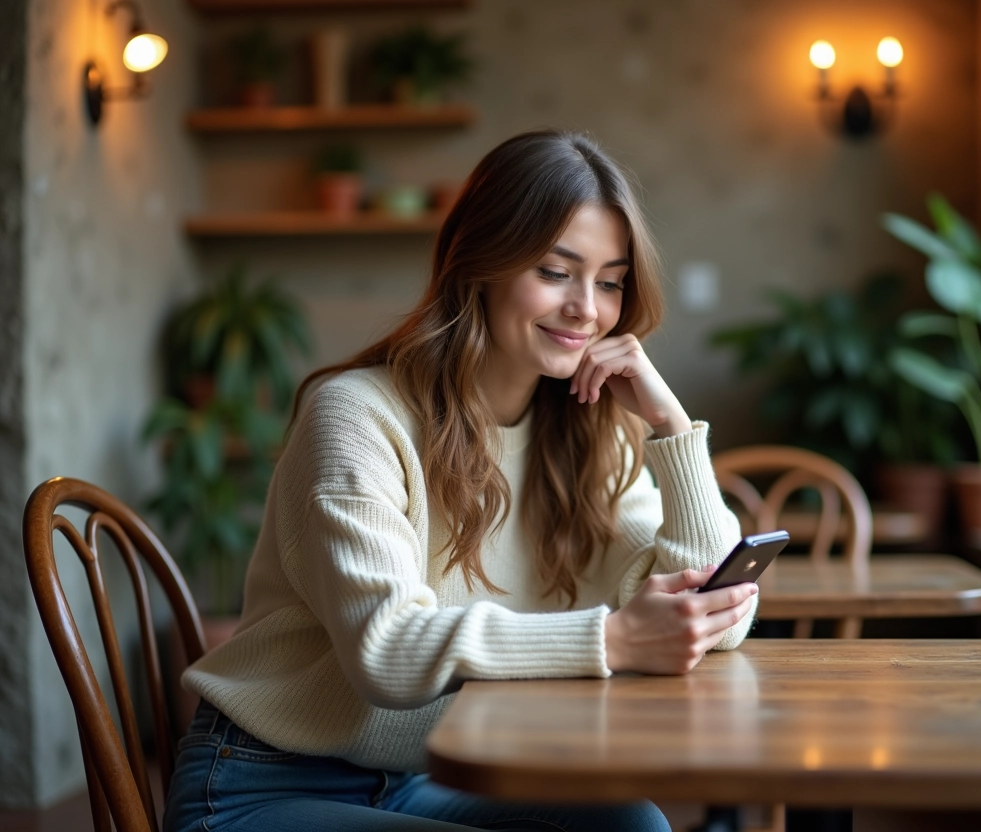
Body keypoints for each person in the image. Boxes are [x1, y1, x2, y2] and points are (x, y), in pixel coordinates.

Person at [163, 130, 758, 832]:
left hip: (422, 775)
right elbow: (385, 650)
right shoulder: (357, 416)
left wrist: (669, 424)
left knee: (632, 825)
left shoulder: (589, 429)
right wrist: (616, 640)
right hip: (260, 784)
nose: (587, 309)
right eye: (555, 270)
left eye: (610, 280)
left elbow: (717, 618)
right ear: (479, 263)